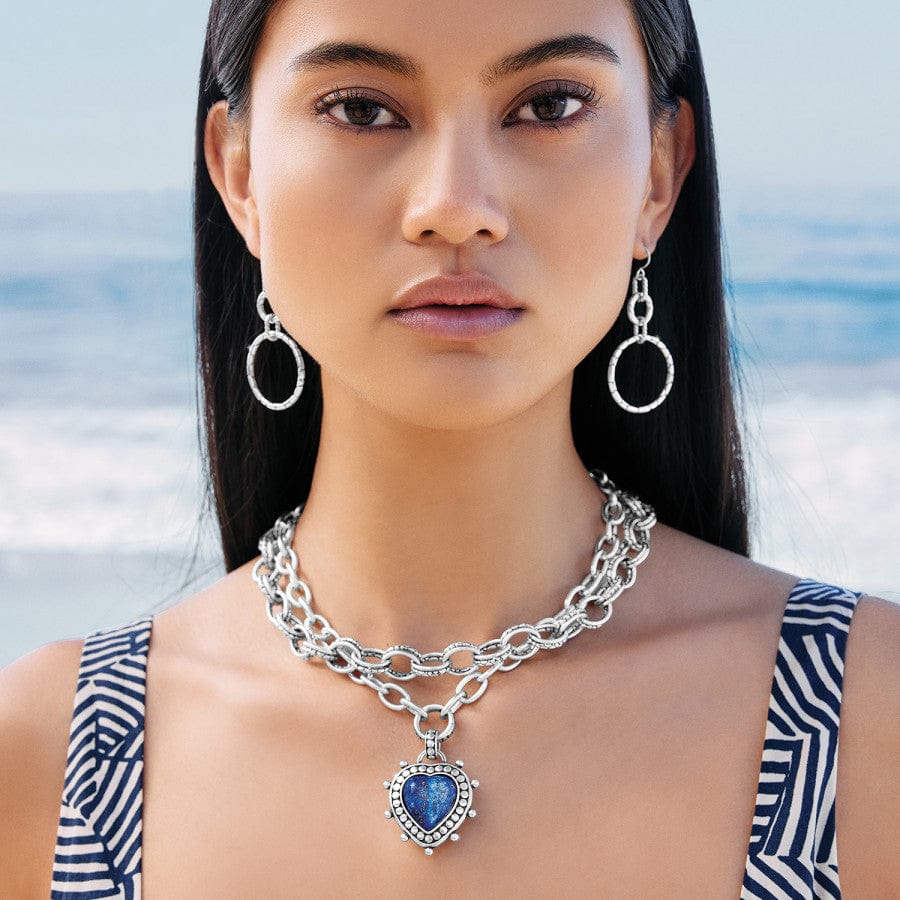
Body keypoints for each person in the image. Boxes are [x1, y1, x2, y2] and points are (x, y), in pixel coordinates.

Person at [1, 0, 897, 896]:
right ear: (239, 176)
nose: (456, 209)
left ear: (659, 174)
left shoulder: (867, 720)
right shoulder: (58, 754)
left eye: (549, 106)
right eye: (361, 109)